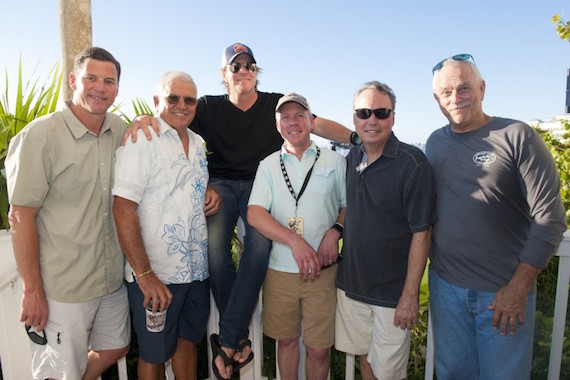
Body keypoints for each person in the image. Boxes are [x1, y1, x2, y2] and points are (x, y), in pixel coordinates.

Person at [128, 42, 354, 376]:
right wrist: (143, 117)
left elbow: (316, 125)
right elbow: (175, 118)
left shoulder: (274, 105)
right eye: (236, 66)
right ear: (225, 74)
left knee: (259, 249)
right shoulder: (207, 106)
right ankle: (239, 339)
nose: (244, 71)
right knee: (216, 253)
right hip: (220, 185)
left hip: (260, 187)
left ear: (256, 71)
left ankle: (231, 338)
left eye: (249, 65)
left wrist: (357, 137)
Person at [426, 54, 567, 379]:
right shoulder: (434, 143)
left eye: (464, 88)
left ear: (482, 88)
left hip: (503, 292)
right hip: (446, 289)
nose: (455, 98)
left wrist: (518, 286)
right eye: (446, 92)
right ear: (437, 99)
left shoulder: (518, 136)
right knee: (453, 374)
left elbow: (551, 219)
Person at [5, 47, 130, 379]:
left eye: (109, 81)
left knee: (116, 347)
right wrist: (33, 290)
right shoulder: (40, 136)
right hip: (63, 287)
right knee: (60, 371)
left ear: (118, 88)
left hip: (109, 281)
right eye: (91, 78)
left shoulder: (120, 130)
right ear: (74, 80)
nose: (100, 88)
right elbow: (19, 216)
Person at [335, 81, 437, 380]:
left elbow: (423, 233)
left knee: (389, 373)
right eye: (364, 112)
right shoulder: (352, 157)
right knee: (366, 361)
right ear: (354, 118)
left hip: (392, 294)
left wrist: (409, 295)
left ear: (393, 117)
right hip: (352, 285)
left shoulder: (413, 164)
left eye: (381, 112)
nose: (372, 120)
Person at [112, 71, 210, 380]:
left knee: (186, 342)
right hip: (157, 275)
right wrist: (145, 275)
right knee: (154, 356)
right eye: (173, 98)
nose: (182, 105)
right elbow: (123, 207)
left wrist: (211, 192)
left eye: (189, 100)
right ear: (157, 101)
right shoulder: (142, 139)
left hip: (196, 270)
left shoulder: (198, 143)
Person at [243, 93, 346, 380]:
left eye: (300, 115)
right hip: (280, 270)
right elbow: (255, 213)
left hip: (323, 272)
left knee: (319, 350)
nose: (293, 122)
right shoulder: (268, 165)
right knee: (286, 342)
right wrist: (295, 241)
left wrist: (335, 230)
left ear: (311, 122)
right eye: (285, 117)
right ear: (277, 126)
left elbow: (348, 206)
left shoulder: (335, 162)